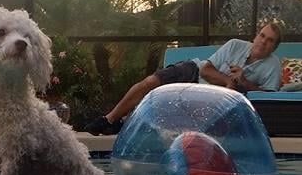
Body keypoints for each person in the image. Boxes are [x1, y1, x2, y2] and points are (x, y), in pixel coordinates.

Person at [85, 22, 283, 135]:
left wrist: (243, 82)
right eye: (262, 35)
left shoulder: (273, 65)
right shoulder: (235, 45)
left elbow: (271, 98)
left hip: (215, 98)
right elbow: (206, 70)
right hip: (194, 71)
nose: (263, 42)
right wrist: (228, 81)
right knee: (150, 83)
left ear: (274, 47)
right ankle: (109, 119)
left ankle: (126, 123)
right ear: (256, 35)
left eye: (270, 40)